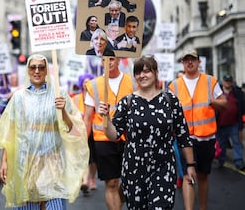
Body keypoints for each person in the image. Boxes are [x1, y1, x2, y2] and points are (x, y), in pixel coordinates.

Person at [0, 54, 89, 209]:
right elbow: (10, 132)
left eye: (41, 67)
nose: (37, 71)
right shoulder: (18, 97)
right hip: (25, 163)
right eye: (33, 67)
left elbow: (74, 130)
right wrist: (4, 161)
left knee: (55, 206)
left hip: (53, 163)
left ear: (46, 71)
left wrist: (63, 110)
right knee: (28, 206)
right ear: (28, 70)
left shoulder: (59, 94)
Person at [101, 55, 197, 209]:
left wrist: (190, 165)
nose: (142, 75)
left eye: (147, 71)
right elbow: (114, 135)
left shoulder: (170, 100)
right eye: (138, 72)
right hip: (134, 168)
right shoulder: (127, 103)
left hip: (163, 165)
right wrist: (105, 118)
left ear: (156, 72)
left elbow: (183, 135)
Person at [168, 49, 227, 210]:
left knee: (202, 176)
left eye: (192, 59)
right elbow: (168, 111)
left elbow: (224, 103)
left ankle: (202, 208)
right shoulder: (174, 86)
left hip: (206, 138)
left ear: (199, 62)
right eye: (186, 59)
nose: (189, 62)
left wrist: (213, 102)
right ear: (182, 63)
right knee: (188, 175)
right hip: (184, 139)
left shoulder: (210, 81)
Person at [83, 54, 133, 210]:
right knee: (111, 183)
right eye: (104, 59)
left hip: (130, 139)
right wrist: (83, 144)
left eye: (111, 59)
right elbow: (87, 118)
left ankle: (122, 195)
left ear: (119, 59)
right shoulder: (93, 85)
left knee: (130, 182)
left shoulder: (132, 81)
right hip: (103, 139)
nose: (108, 62)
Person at [72, 73, 97, 193]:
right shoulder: (76, 98)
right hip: (80, 132)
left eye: (89, 81)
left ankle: (92, 178)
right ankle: (85, 181)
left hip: (94, 131)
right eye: (84, 81)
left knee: (93, 160)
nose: (86, 84)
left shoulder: (96, 97)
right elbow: (70, 112)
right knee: (84, 157)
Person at [215, 74, 245, 170]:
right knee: (222, 144)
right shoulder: (217, 93)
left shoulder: (237, 93)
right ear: (223, 81)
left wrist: (242, 123)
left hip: (234, 123)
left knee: (236, 142)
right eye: (226, 81)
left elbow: (243, 108)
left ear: (231, 82)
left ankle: (239, 162)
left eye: (229, 81)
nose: (228, 83)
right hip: (221, 124)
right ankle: (221, 160)